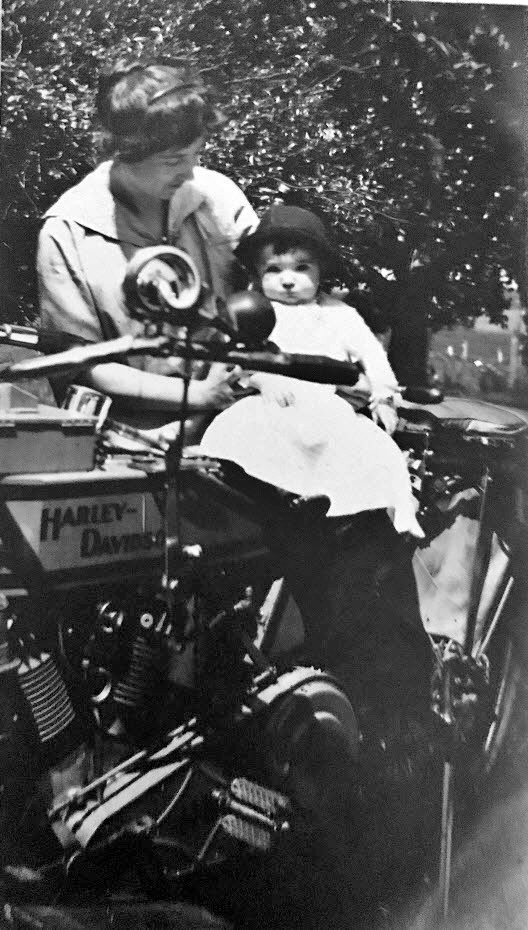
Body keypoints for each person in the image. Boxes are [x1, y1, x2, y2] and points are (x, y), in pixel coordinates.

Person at [201, 204, 431, 700]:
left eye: (300, 269)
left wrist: (383, 396)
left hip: (324, 411)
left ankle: (374, 520)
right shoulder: (254, 311)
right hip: (276, 408)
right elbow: (236, 361)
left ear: (321, 271)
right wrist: (261, 380)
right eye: (273, 271)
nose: (287, 281)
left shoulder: (339, 315)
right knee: (245, 446)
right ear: (257, 275)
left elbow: (373, 357)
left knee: (365, 452)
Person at [37, 59, 258, 432]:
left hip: (236, 414)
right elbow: (80, 364)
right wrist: (199, 395)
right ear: (124, 152)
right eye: (173, 160)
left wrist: (223, 384)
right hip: (135, 435)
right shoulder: (69, 232)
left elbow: (264, 301)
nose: (190, 172)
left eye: (196, 155)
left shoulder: (217, 197)